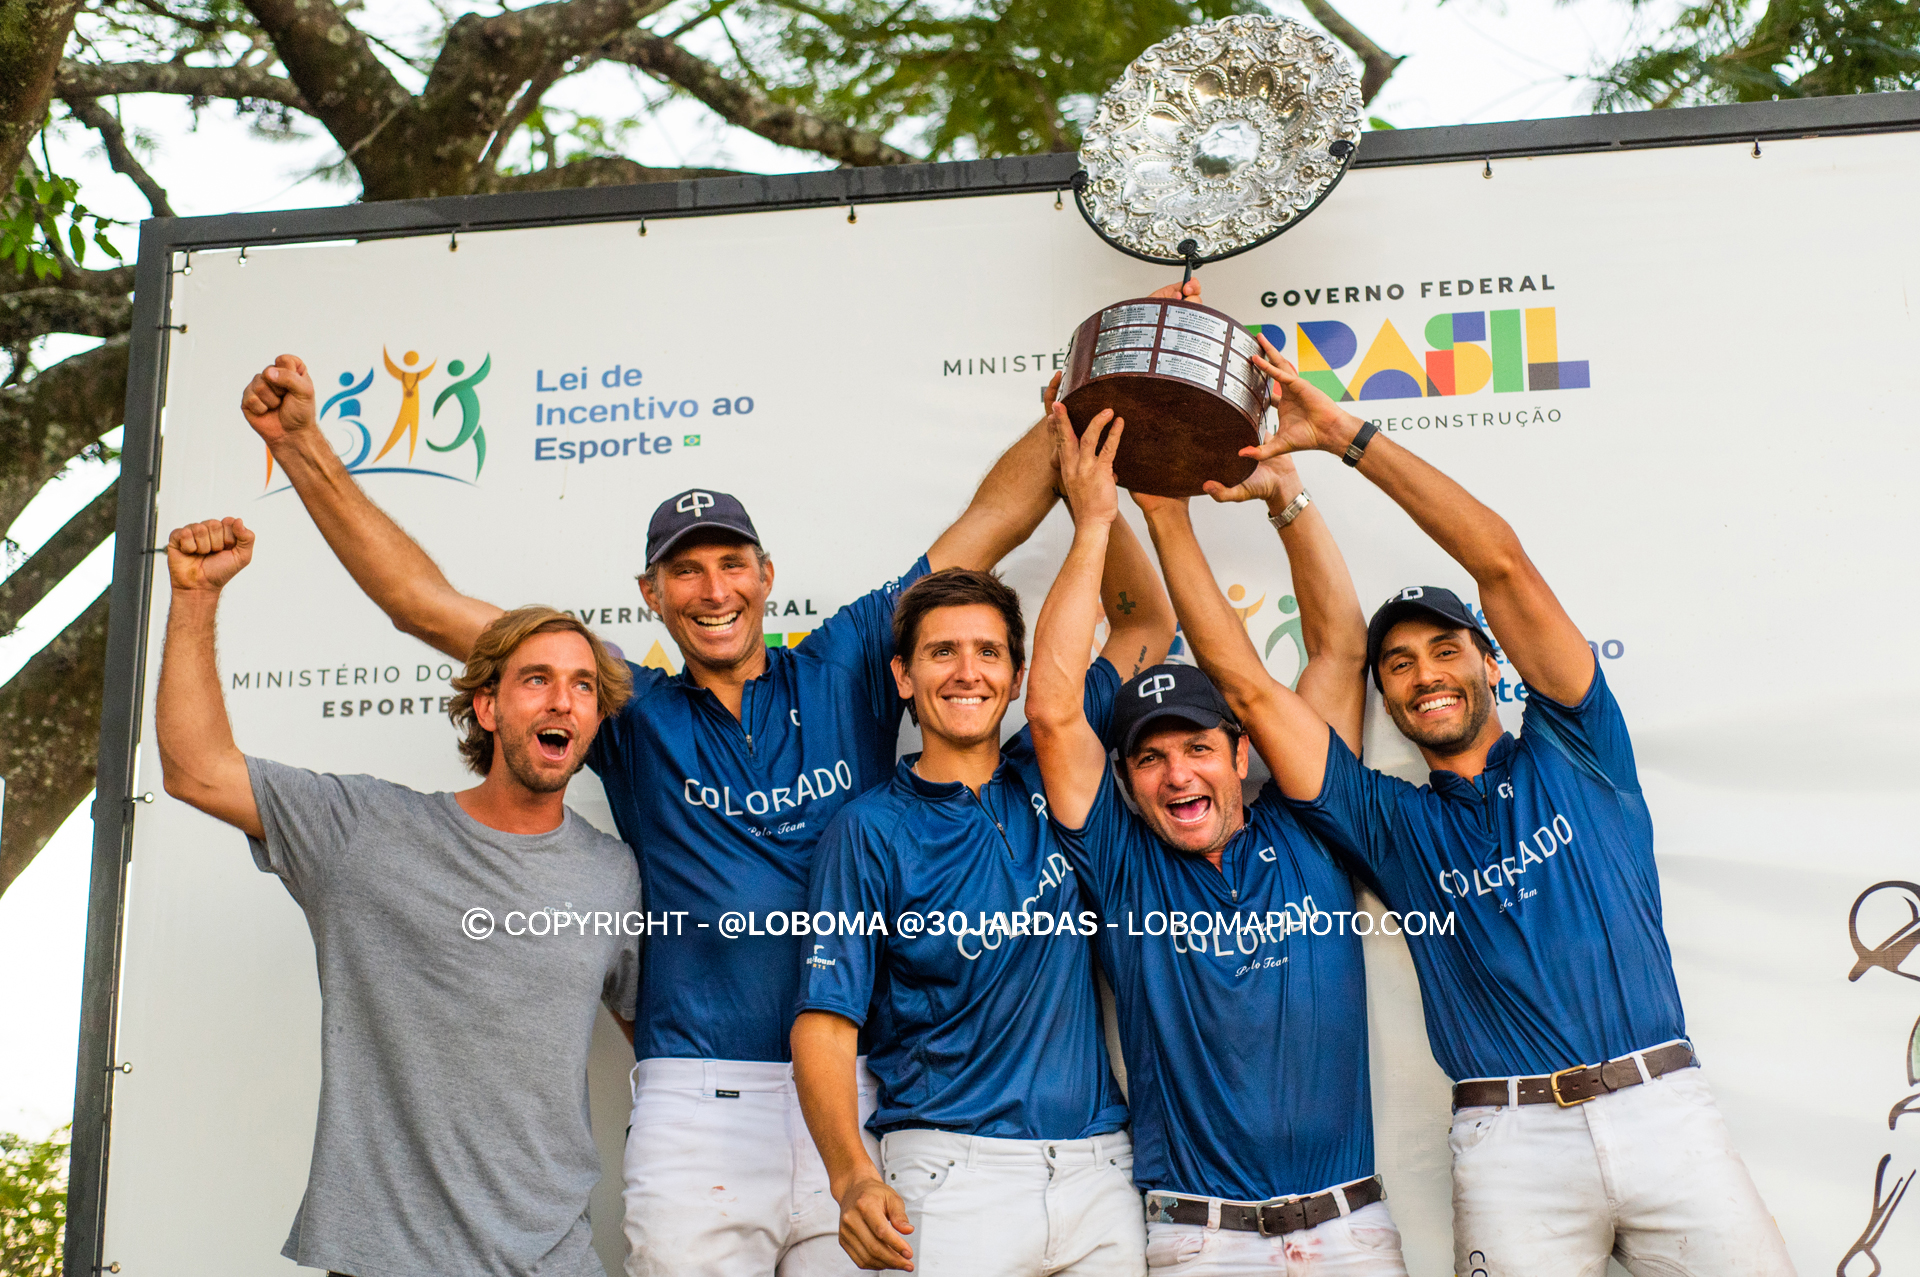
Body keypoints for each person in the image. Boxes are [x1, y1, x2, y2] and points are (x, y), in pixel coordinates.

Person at [237, 281, 1199, 1276]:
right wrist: (306, 445)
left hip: (863, 1097)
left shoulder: (852, 658)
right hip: (700, 1108)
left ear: (766, 573)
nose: (711, 588)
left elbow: (998, 511)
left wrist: (1132, 361)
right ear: (651, 594)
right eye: (683, 571)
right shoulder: (626, 701)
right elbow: (419, 602)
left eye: (729, 562)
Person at [1154, 337, 1795, 1277]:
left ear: (1490, 662)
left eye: (1446, 649)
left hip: (1664, 1108)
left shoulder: (1580, 743)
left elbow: (1500, 560)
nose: (1426, 675)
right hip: (1510, 1140)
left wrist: (1345, 436)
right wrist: (1163, 503)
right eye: (1399, 664)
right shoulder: (1391, 822)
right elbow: (1248, 691)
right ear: (1386, 697)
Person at [155, 516, 641, 1277]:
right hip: (384, 1259)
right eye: (536, 679)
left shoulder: (615, 877)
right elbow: (196, 769)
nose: (562, 702)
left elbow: (660, 1039)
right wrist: (193, 597)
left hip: (553, 1261)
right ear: (488, 707)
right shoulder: (362, 831)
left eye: (583, 686)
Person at [1025, 416, 1409, 1276]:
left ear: (1243, 753)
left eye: (1198, 747)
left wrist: (1287, 504)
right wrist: (1093, 523)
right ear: (1125, 779)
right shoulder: (1122, 864)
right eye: (1150, 757)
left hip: (1348, 1228)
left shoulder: (1311, 821)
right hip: (1202, 1241)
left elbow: (1341, 649)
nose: (1176, 774)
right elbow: (1052, 712)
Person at [791, 415, 1172, 1275]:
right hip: (947, 1175)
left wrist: (1097, 510)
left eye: (989, 652)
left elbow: (1146, 620)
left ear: (1014, 671)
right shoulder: (868, 829)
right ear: (903, 677)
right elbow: (825, 1019)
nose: (967, 671)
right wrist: (851, 1177)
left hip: (1099, 1168)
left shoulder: (1055, 766)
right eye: (942, 653)